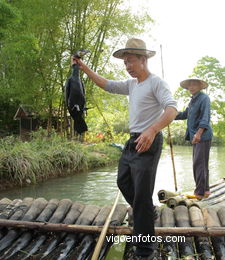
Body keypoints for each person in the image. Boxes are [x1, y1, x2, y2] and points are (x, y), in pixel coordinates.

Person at [73, 38, 177, 259]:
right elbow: (107, 84)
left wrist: (152, 130)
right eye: (125, 63)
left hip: (148, 142)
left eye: (130, 61)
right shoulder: (132, 85)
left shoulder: (156, 83)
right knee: (123, 181)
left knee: (141, 196)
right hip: (132, 142)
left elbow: (172, 109)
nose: (128, 66)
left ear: (143, 59)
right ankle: (147, 214)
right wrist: (83, 68)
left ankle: (145, 249)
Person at [175, 79, 213, 199]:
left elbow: (205, 117)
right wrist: (170, 115)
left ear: (200, 86)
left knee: (198, 164)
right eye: (189, 85)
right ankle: (205, 190)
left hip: (202, 136)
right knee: (202, 163)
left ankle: (199, 193)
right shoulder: (192, 101)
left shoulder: (204, 98)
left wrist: (198, 133)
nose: (191, 87)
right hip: (197, 136)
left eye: (194, 84)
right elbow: (185, 114)